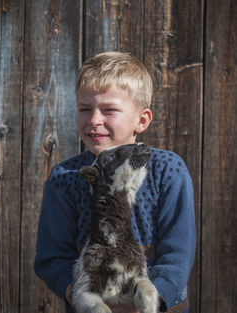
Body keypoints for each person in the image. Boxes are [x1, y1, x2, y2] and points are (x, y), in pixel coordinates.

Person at [34, 51, 196, 313]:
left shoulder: (168, 170)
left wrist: (154, 297)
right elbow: (52, 257)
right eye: (85, 109)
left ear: (141, 120)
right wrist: (80, 294)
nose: (94, 120)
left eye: (109, 110)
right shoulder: (65, 178)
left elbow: (177, 253)